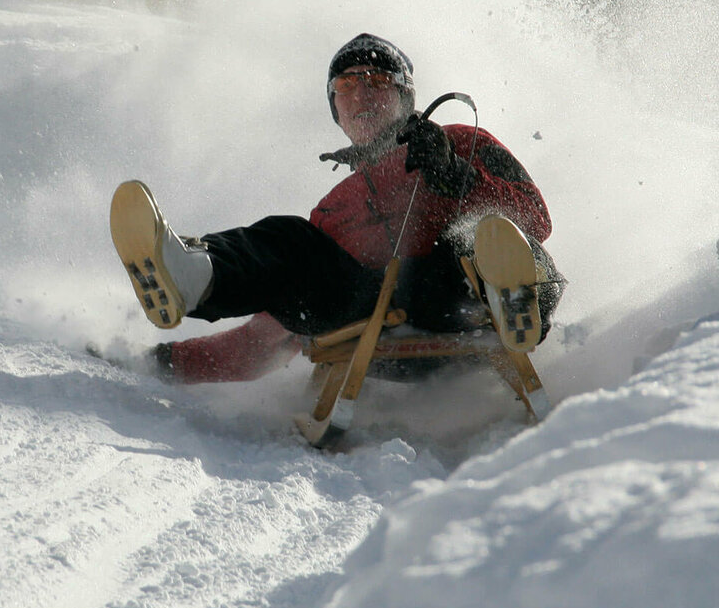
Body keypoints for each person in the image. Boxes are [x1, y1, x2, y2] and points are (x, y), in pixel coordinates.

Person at [110, 33, 565, 383]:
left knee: (473, 239)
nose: (362, 95)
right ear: (336, 109)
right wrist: (164, 363)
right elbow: (262, 342)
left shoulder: (461, 141)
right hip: (373, 319)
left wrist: (453, 177)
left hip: (459, 301)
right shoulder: (333, 211)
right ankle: (198, 274)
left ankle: (511, 295)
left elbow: (535, 218)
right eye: (346, 86)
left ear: (406, 98)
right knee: (288, 240)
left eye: (378, 82)